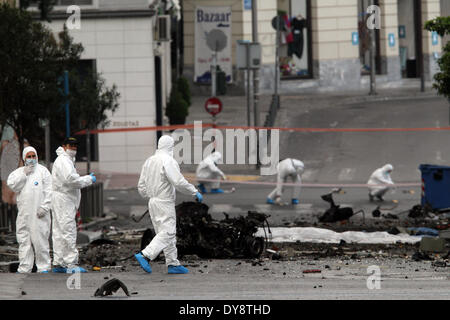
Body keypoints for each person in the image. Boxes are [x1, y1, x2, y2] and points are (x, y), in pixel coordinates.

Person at [135, 135, 203, 274]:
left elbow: (141, 186)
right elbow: (178, 181)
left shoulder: (149, 161)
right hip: (164, 201)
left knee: (164, 234)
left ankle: (172, 263)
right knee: (169, 232)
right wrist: (194, 191)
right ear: (171, 146)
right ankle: (145, 255)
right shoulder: (168, 161)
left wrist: (151, 196)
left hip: (153, 202)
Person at [51, 137, 96, 273]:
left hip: (61, 199)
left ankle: (59, 262)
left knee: (59, 231)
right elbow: (71, 180)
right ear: (64, 146)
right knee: (68, 231)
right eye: (71, 146)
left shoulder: (65, 160)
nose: (74, 148)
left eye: (75, 146)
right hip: (64, 200)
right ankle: (71, 264)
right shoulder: (64, 161)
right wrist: (88, 179)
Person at [7, 147, 52, 273]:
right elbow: (14, 186)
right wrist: (23, 174)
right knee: (23, 240)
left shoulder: (43, 171)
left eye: (33, 156)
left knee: (40, 241)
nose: (31, 159)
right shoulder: (19, 172)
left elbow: (49, 191)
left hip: (39, 214)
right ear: (24, 157)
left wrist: (45, 206)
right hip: (24, 214)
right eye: (29, 156)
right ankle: (25, 267)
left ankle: (44, 267)